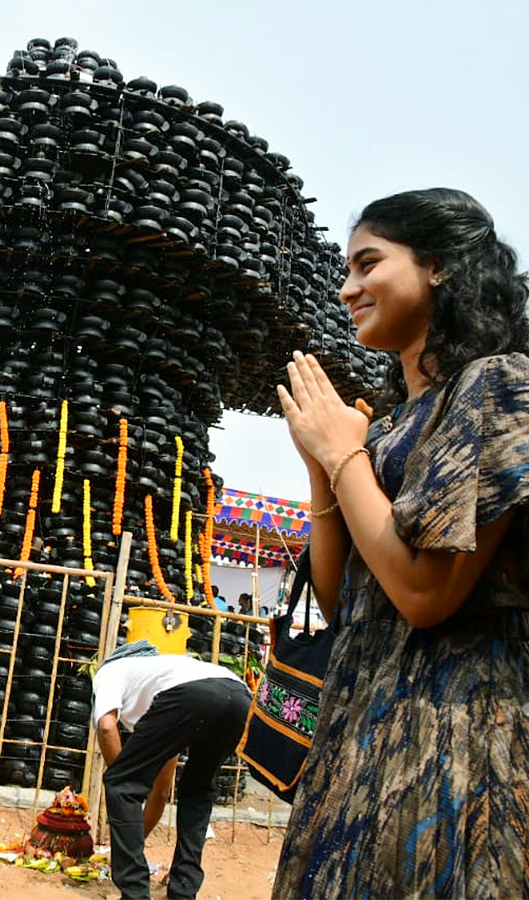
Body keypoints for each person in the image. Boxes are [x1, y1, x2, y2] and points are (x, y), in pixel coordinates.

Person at [273, 188, 529, 897]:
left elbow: (423, 595)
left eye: (368, 263)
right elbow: (343, 601)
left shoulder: (500, 386)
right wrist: (324, 468)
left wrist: (346, 458)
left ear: (440, 266)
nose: (348, 288)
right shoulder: (387, 427)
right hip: (357, 740)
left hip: (456, 744)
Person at [93, 640, 250, 900]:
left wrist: (123, 783)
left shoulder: (110, 671)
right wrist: (132, 836)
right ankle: (183, 890)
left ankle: (134, 894)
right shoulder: (161, 680)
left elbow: (107, 727)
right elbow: (161, 790)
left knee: (120, 783)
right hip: (239, 696)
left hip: (194, 695)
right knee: (197, 791)